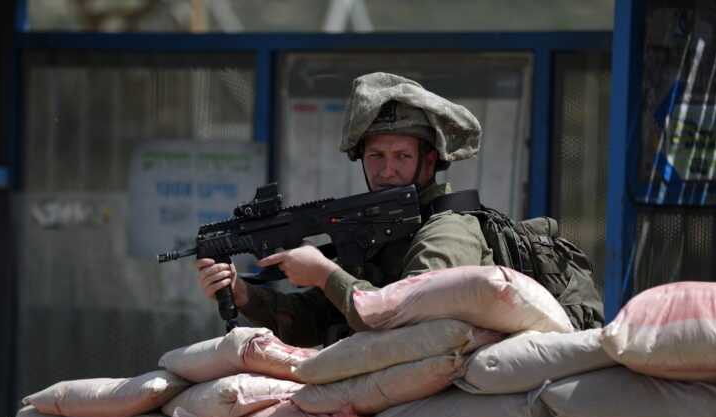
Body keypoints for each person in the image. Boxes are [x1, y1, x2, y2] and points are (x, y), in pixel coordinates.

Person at [192, 72, 493, 347]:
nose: (386, 170)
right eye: (376, 155)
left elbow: (410, 321)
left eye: (402, 156)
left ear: (429, 161)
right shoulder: (387, 227)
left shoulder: (448, 230)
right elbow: (315, 318)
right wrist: (242, 293)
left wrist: (324, 273)